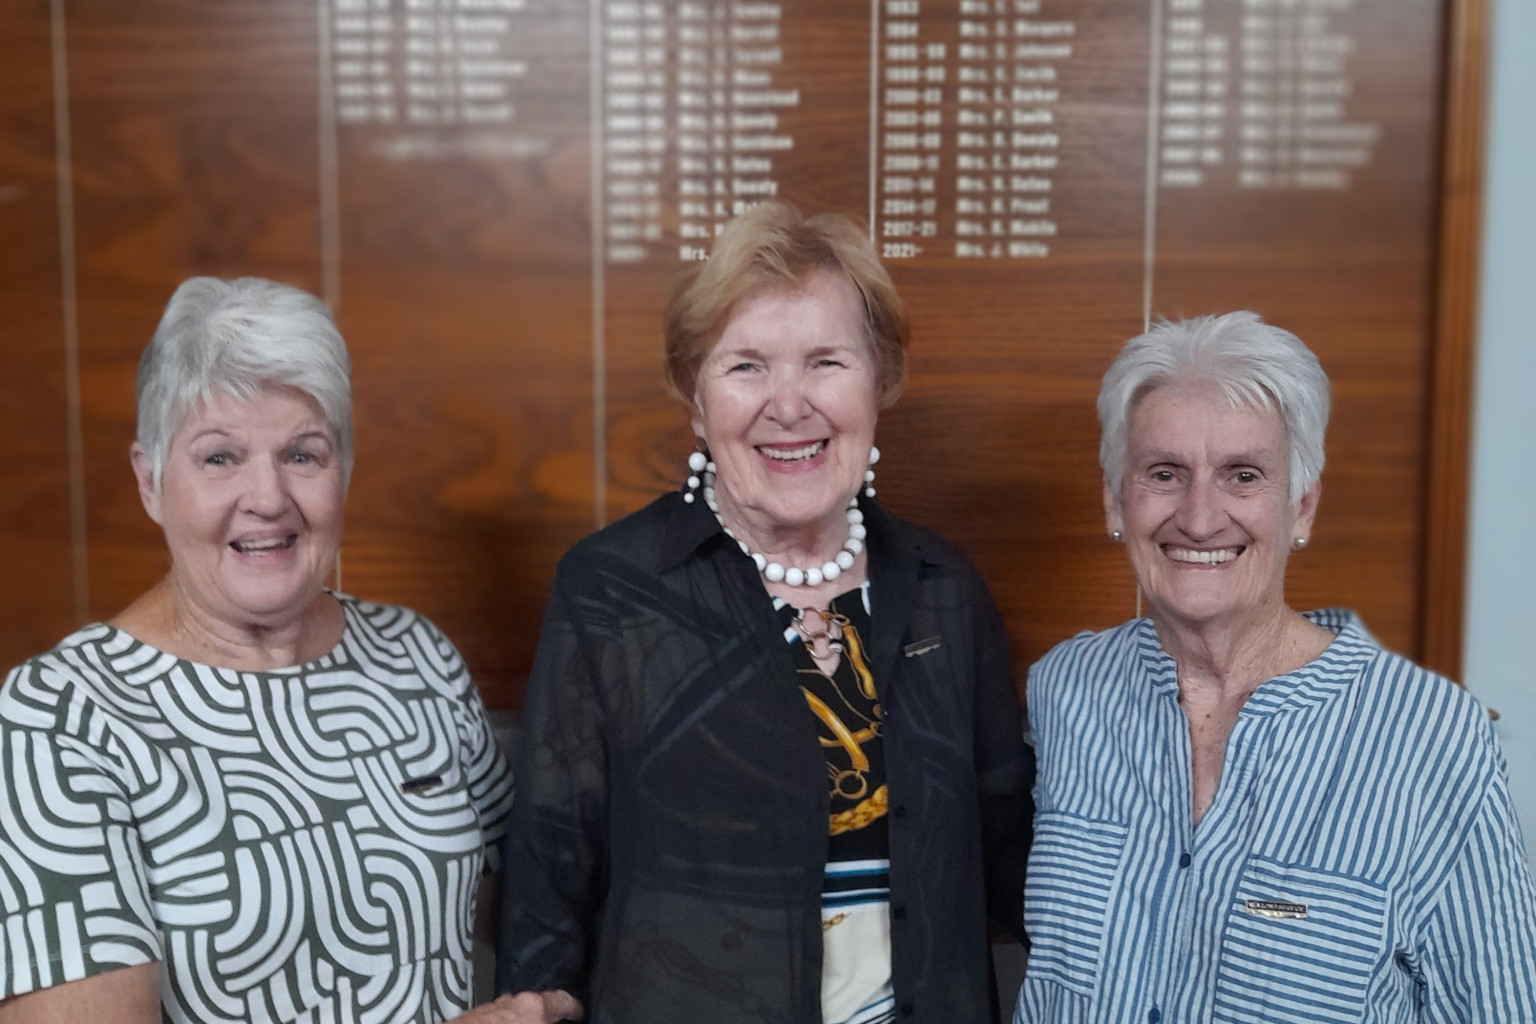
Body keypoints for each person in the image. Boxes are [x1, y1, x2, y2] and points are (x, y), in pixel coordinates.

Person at [497, 201, 1033, 1024]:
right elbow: (548, 872)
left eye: (826, 362)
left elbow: (1012, 863)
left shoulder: (942, 588)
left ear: (881, 380)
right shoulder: (611, 590)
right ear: (695, 397)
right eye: (746, 366)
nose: (789, 405)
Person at [0, 277, 524, 1023]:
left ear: (343, 468)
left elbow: (536, 911)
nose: (269, 497)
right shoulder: (63, 718)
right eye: (219, 459)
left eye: (302, 454)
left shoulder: (418, 659)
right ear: (151, 482)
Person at [1014, 312, 1536, 1023]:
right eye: (1164, 473)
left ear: (1302, 507)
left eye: (1243, 475)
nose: (1200, 519)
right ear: (1116, 501)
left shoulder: (1434, 737)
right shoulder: (1063, 692)